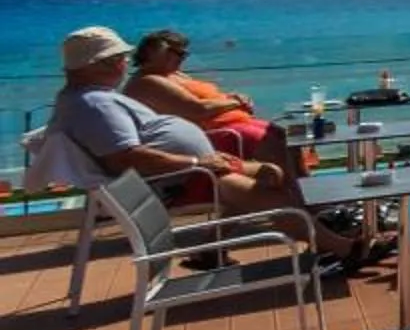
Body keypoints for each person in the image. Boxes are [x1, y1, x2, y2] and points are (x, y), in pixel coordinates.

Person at [45, 26, 371, 272]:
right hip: (180, 177)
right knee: (274, 195)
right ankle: (344, 249)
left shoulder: (85, 99)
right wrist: (197, 160)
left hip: (192, 168)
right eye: (118, 58)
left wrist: (206, 158)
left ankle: (214, 247)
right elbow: (128, 157)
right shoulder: (94, 105)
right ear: (96, 64)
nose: (124, 63)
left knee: (273, 173)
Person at [123, 28, 296, 175]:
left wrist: (233, 98)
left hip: (233, 125)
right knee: (276, 148)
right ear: (156, 52)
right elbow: (198, 109)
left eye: (185, 53)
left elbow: (207, 99)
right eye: (179, 53)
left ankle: (306, 197)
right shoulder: (148, 81)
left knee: (288, 139)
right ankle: (294, 199)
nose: (184, 57)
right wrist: (235, 102)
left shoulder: (172, 74)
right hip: (219, 134)